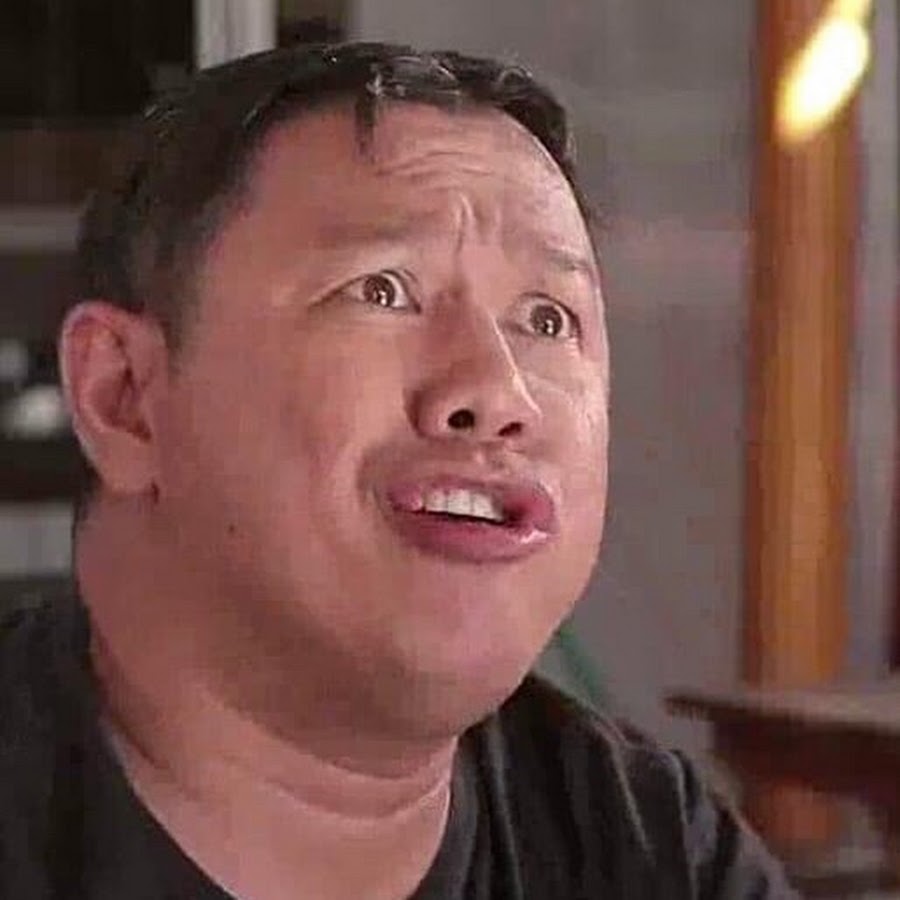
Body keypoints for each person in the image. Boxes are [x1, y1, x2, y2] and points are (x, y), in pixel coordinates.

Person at [0, 42, 800, 899]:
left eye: (546, 318)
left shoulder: (650, 851)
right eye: (382, 291)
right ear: (125, 396)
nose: (497, 391)